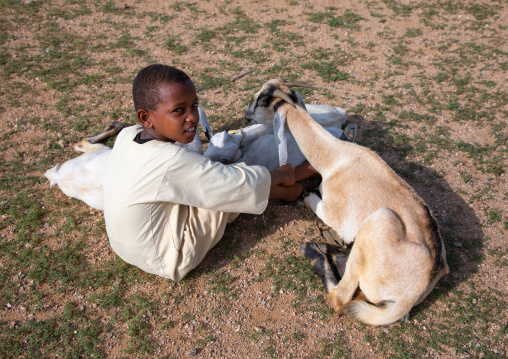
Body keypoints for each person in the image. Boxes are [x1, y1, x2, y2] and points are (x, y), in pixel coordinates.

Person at [103, 64, 320, 281]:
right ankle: (304, 177)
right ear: (145, 118)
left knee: (215, 178)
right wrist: (284, 175)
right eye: (179, 110)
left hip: (127, 245)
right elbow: (235, 184)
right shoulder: (171, 161)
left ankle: (289, 188)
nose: (192, 117)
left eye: (194, 105)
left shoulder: (128, 134)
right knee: (228, 184)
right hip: (167, 258)